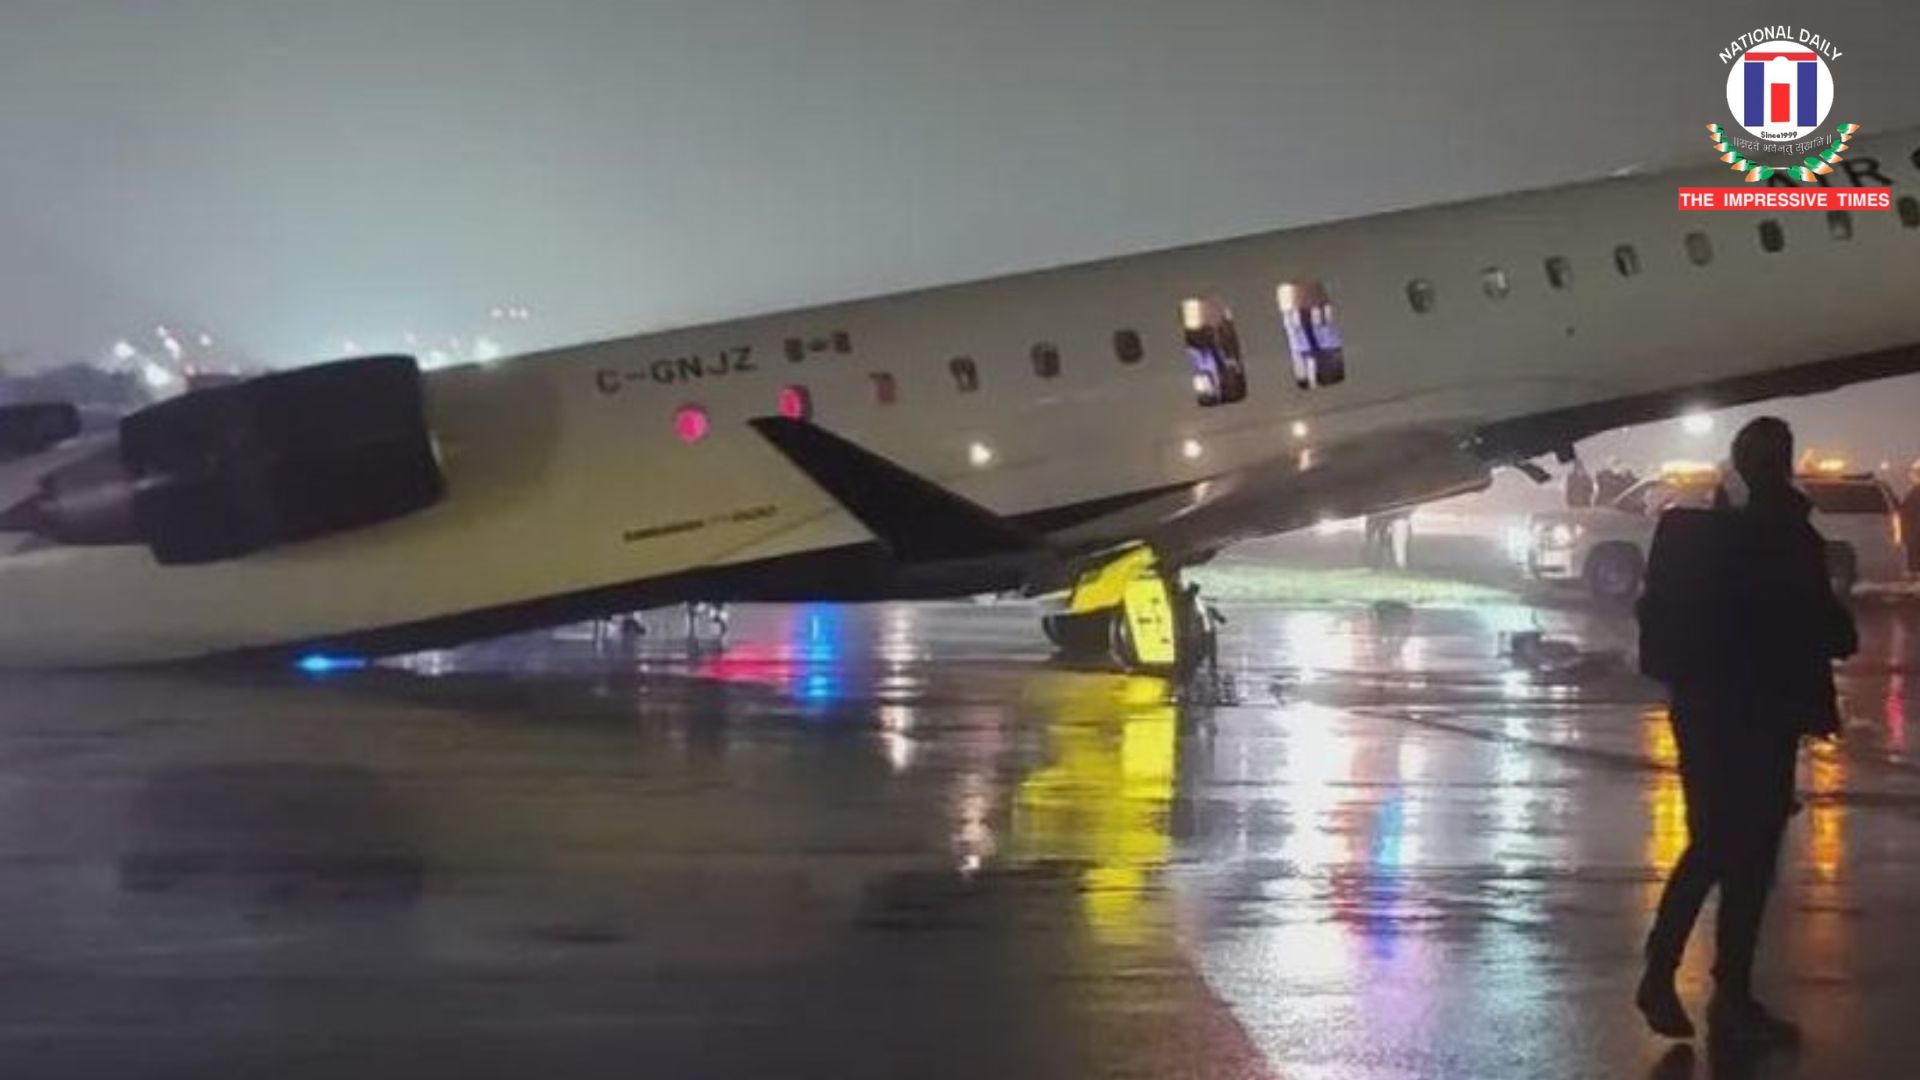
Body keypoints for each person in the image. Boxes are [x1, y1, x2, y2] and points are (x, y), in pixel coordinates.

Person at [1635, 417, 1857, 1045]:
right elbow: (1832, 631)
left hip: (1704, 713)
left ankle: (1689, 982)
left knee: (1715, 845)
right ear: (1783, 464)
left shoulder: (1705, 535)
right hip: (1761, 718)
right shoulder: (1788, 535)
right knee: (1745, 855)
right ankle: (1713, 990)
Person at [1903, 460, 1920, 576]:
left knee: (1913, 551)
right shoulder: (1915, 491)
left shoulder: (1916, 491)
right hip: (1913, 528)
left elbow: (1907, 509)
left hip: (1914, 529)